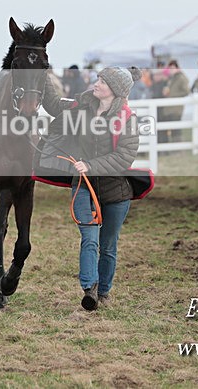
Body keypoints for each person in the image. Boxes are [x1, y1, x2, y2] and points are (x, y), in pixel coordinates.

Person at [46, 67, 140, 311]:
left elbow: (124, 157)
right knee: (89, 239)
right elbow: (54, 105)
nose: (96, 84)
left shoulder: (127, 119)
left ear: (115, 90)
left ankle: (104, 291)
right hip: (83, 186)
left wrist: (90, 165)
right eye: (98, 79)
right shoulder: (81, 106)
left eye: (103, 81)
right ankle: (89, 289)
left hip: (115, 191)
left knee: (108, 245)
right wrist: (42, 73)